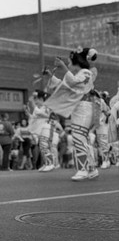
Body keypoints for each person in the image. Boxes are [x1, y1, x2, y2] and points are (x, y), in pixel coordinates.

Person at [43, 47, 99, 181]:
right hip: (79, 108)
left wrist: (62, 67)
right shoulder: (80, 73)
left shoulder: (86, 73)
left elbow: (73, 82)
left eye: (69, 61)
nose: (67, 63)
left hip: (83, 108)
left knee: (79, 138)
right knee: (81, 138)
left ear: (76, 61)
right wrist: (51, 75)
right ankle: (91, 168)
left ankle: (83, 169)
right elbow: (65, 86)